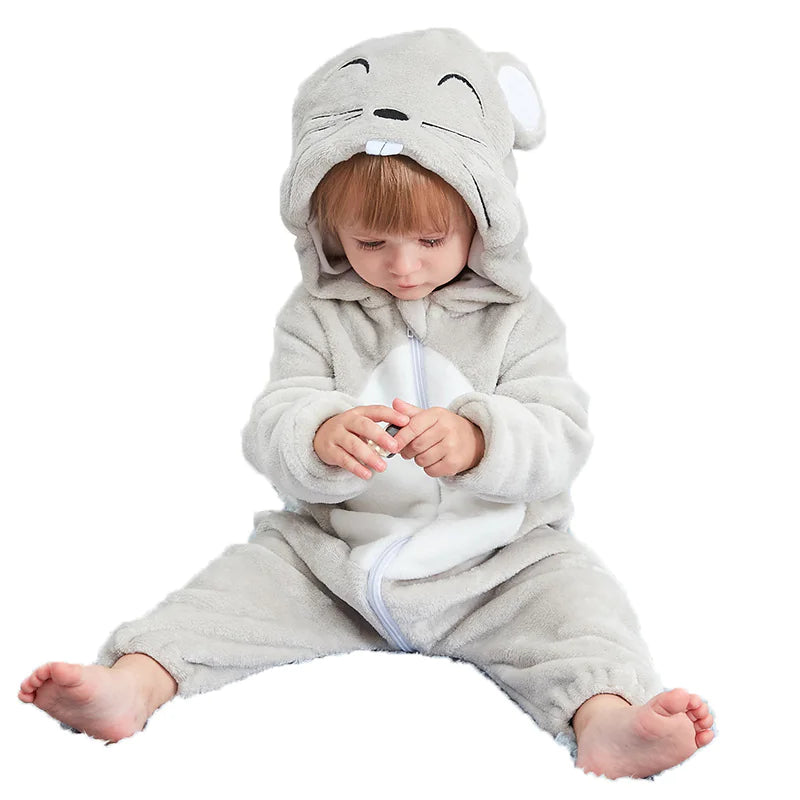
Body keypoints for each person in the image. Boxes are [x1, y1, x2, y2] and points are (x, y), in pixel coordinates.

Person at [18, 27, 714, 780]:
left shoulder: (519, 320)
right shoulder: (317, 315)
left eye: (430, 239)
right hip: (335, 561)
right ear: (329, 230)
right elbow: (273, 417)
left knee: (581, 611)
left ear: (483, 219)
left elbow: (561, 432)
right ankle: (133, 683)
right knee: (229, 592)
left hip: (500, 566)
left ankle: (605, 720)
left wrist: (481, 440)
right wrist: (318, 433)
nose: (403, 266)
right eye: (372, 243)